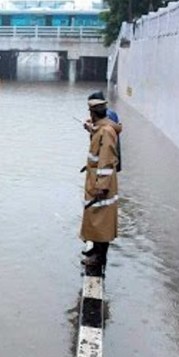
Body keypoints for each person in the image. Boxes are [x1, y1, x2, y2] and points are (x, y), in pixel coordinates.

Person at [80, 96, 122, 266]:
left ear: (93, 113)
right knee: (94, 215)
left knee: (101, 219)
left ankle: (99, 257)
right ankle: (95, 249)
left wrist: (101, 186)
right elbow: (97, 141)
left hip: (101, 184)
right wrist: (90, 129)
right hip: (95, 180)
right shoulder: (102, 128)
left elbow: (106, 160)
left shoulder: (107, 132)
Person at [85, 91, 122, 172]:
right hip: (111, 159)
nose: (90, 114)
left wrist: (91, 129)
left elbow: (102, 139)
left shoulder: (107, 128)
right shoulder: (109, 114)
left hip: (106, 164)